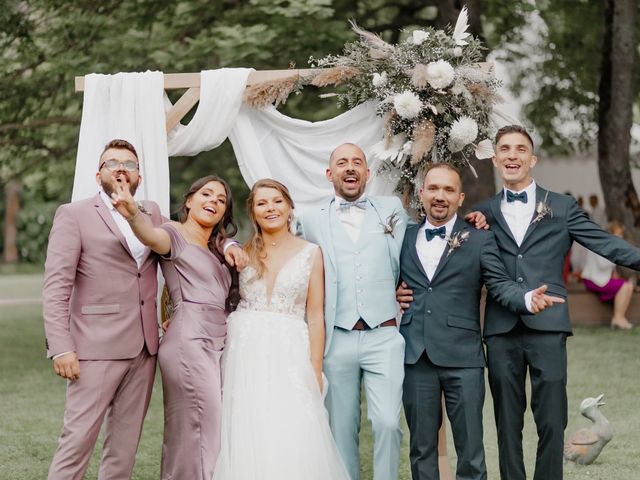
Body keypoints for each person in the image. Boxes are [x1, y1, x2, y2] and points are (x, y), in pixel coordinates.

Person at [472, 125, 640, 480]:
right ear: (496, 158)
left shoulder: (561, 207)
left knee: (551, 420)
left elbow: (604, 243)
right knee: (506, 422)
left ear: (532, 160)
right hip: (501, 329)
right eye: (505, 149)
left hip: (548, 327)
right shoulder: (481, 212)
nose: (512, 155)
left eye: (520, 149)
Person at [399, 163, 563, 480]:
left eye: (448, 190)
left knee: (471, 451)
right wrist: (394, 292)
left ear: (460, 198)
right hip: (416, 354)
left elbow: (499, 284)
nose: (440, 196)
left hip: (464, 358)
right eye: (433, 189)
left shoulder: (478, 239)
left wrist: (527, 298)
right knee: (421, 450)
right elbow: (385, 277)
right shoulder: (403, 239)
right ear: (422, 194)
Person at [110, 174, 246, 480]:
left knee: (200, 430)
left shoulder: (219, 245)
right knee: (203, 427)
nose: (213, 201)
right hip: (188, 341)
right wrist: (133, 214)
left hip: (219, 342)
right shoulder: (173, 233)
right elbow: (150, 235)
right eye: (206, 195)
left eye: (221, 200)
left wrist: (232, 244)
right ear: (189, 200)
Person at [212, 179, 350, 480]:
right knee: (249, 424)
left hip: (290, 349)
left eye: (277, 201)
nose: (270, 208)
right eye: (261, 203)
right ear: (253, 212)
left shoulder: (312, 253)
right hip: (245, 350)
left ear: (290, 207)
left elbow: (315, 315)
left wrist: (315, 369)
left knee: (292, 424)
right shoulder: (241, 253)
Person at [43, 139, 163, 479]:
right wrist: (61, 346)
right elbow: (56, 286)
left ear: (139, 176)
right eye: (112, 163)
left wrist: (228, 242)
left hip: (144, 348)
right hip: (93, 347)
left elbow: (187, 238)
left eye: (129, 163)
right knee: (77, 442)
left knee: (124, 449)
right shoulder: (74, 214)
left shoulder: (151, 213)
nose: (121, 167)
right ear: (99, 176)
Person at [296, 143, 409, 480]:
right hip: (337, 338)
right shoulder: (310, 219)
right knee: (341, 430)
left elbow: (424, 240)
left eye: (357, 162)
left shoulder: (392, 210)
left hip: (384, 334)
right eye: (341, 163)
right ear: (329, 174)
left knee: (388, 422)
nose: (350, 168)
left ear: (367, 173)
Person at [582, 221, 635, 330]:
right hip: (592, 279)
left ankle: (620, 317)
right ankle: (617, 318)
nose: (620, 237)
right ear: (610, 233)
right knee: (624, 286)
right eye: (617, 234)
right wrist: (617, 256)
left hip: (601, 278)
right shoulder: (600, 243)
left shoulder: (609, 245)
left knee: (629, 286)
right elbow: (603, 264)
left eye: (621, 234)